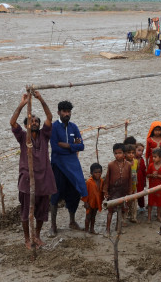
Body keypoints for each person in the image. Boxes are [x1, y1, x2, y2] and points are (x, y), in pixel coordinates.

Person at [9, 90, 57, 249]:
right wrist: (22, 104)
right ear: (26, 125)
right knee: (25, 211)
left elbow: (50, 117)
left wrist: (41, 99)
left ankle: (36, 235)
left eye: (37, 121)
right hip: (27, 178)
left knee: (42, 211)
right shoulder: (23, 137)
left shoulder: (45, 135)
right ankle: (27, 239)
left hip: (44, 179)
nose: (35, 122)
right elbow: (12, 122)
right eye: (31, 121)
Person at [49, 100, 87, 237]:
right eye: (64, 111)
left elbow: (81, 146)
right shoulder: (54, 128)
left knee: (75, 191)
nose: (66, 114)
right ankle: (53, 225)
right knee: (56, 193)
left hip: (72, 165)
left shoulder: (73, 127)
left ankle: (72, 221)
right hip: (58, 165)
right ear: (58, 112)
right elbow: (55, 147)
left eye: (68, 111)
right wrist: (72, 146)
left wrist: (68, 146)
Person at [103, 143, 132, 236]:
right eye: (115, 153)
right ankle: (107, 229)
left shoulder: (128, 165)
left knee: (121, 210)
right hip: (113, 190)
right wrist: (106, 191)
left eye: (119, 153)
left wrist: (130, 191)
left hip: (123, 190)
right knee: (110, 210)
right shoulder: (111, 165)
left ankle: (118, 227)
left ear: (124, 154)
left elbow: (130, 179)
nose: (117, 155)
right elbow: (107, 179)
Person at [81, 163, 104, 235]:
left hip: (97, 202)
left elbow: (102, 191)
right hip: (90, 202)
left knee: (94, 216)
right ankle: (86, 230)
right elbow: (85, 193)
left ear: (101, 172)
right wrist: (85, 202)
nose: (97, 174)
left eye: (99, 172)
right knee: (88, 216)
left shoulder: (102, 181)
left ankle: (92, 229)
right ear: (91, 173)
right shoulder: (89, 182)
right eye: (95, 172)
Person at [146, 148, 161, 222]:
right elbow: (147, 175)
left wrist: (158, 175)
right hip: (152, 187)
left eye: (155, 157)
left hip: (160, 188)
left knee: (160, 203)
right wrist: (152, 175)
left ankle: (158, 216)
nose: (153, 158)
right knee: (150, 203)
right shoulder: (151, 165)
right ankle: (149, 217)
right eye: (153, 157)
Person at [123, 144, 139, 223]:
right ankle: (124, 219)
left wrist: (137, 182)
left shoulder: (136, 161)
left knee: (134, 202)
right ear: (125, 154)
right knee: (126, 203)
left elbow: (136, 171)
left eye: (133, 153)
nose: (131, 154)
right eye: (129, 153)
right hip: (126, 187)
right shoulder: (124, 163)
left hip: (133, 186)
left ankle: (133, 217)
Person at [134, 142, 146, 212]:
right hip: (134, 180)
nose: (141, 152)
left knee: (141, 193)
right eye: (139, 150)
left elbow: (144, 171)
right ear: (134, 150)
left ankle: (141, 206)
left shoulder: (142, 160)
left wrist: (144, 181)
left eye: (142, 151)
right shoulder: (132, 160)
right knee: (133, 193)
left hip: (141, 179)